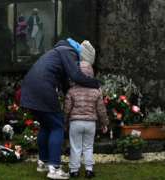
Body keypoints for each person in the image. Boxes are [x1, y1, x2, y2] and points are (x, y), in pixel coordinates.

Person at [20, 38, 101, 180]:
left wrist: (73, 93)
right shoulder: (69, 52)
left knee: (46, 125)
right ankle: (54, 168)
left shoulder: (59, 51)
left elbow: (65, 83)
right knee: (57, 126)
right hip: (42, 88)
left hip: (28, 89)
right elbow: (75, 75)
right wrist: (95, 84)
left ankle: (43, 162)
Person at [64, 41, 109, 179]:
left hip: (75, 123)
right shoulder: (96, 91)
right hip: (90, 124)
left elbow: (67, 109)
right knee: (88, 147)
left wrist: (65, 122)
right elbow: (101, 109)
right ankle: (89, 169)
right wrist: (104, 123)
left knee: (75, 146)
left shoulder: (71, 91)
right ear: (91, 74)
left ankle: (74, 170)